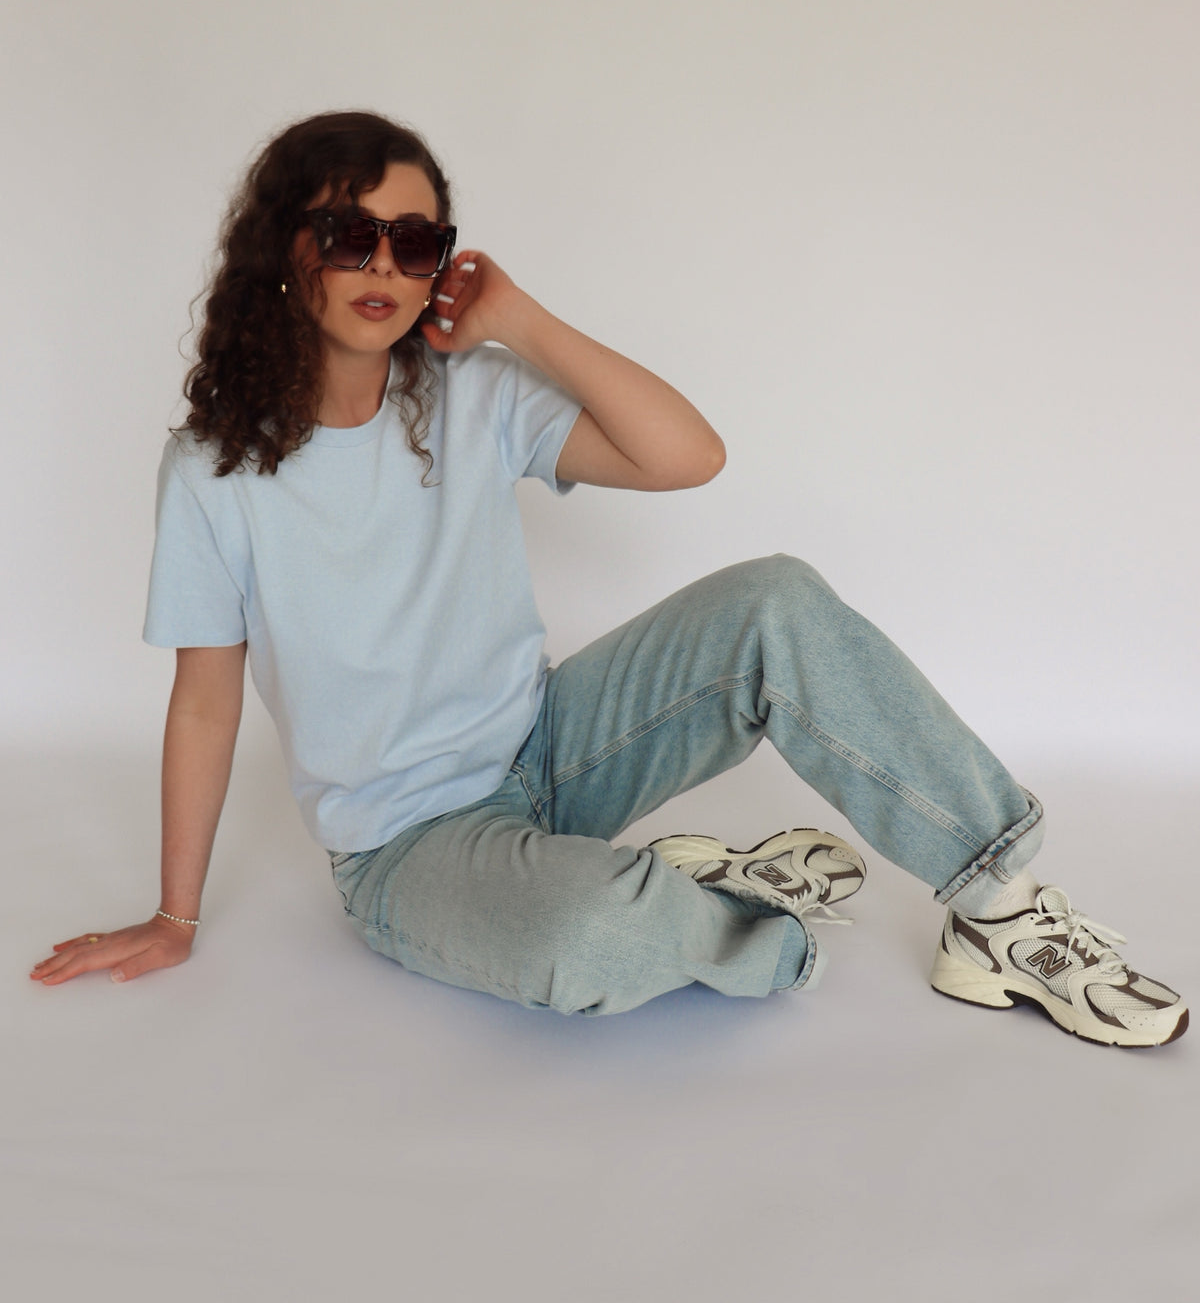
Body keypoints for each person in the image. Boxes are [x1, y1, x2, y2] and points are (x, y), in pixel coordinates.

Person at [30, 111, 1186, 1047]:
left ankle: (996, 909)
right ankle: (730, 914)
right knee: (584, 941)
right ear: (290, 250)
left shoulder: (469, 394)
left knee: (774, 599)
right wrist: (176, 915)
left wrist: (516, 320)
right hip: (408, 847)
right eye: (349, 235)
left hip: (549, 746)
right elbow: (202, 698)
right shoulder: (217, 469)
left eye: (415, 241)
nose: (383, 263)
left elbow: (689, 456)